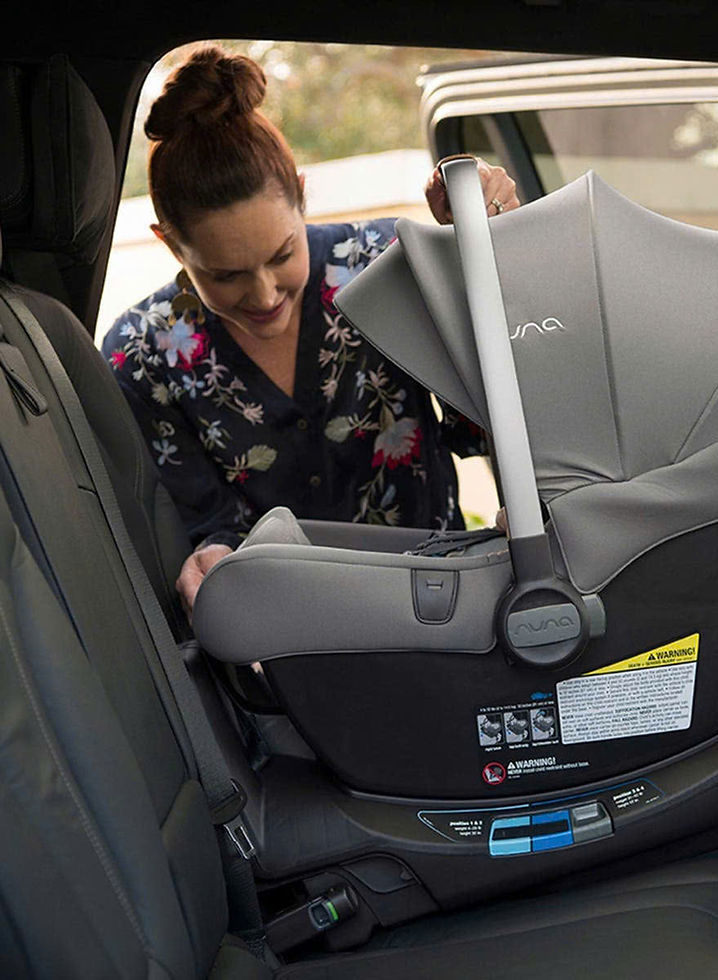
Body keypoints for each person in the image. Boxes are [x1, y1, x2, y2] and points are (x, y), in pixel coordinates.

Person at [102, 45, 518, 618]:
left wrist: (478, 250)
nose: (265, 294)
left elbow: (484, 422)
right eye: (224, 276)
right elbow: (207, 518)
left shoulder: (388, 267)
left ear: (301, 195)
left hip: (441, 604)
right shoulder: (141, 355)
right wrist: (210, 555)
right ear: (170, 242)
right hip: (282, 633)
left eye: (282, 255)